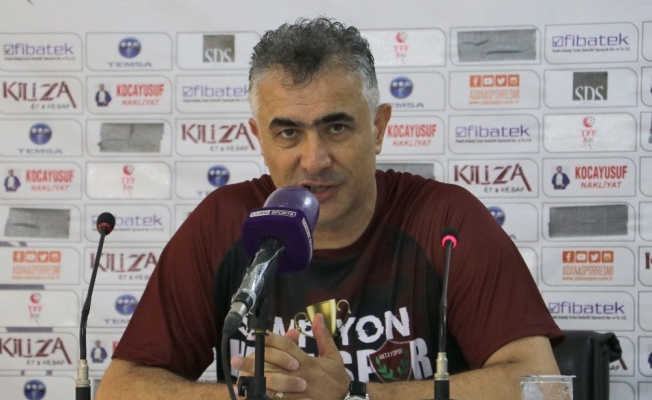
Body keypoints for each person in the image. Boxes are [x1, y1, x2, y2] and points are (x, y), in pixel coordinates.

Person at [96, 17, 562, 400]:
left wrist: (354, 396)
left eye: (336, 128)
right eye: (288, 133)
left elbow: (543, 386)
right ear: (259, 139)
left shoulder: (446, 220)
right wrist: (261, 394)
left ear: (378, 129)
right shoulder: (224, 222)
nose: (314, 159)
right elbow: (121, 388)